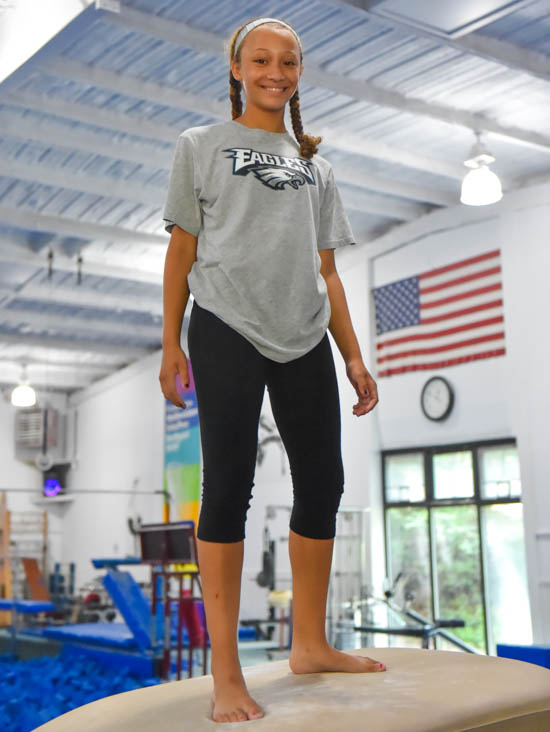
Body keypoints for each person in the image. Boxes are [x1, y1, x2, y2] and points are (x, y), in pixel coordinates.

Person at [159, 16, 382, 724]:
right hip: (226, 322)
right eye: (261, 59)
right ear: (236, 69)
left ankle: (309, 643)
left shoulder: (317, 166)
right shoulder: (201, 146)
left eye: (287, 61)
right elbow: (180, 253)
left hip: (302, 330)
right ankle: (226, 673)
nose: (275, 71)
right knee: (230, 485)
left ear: (299, 73)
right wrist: (170, 343)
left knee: (324, 482)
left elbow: (328, 271)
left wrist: (352, 353)